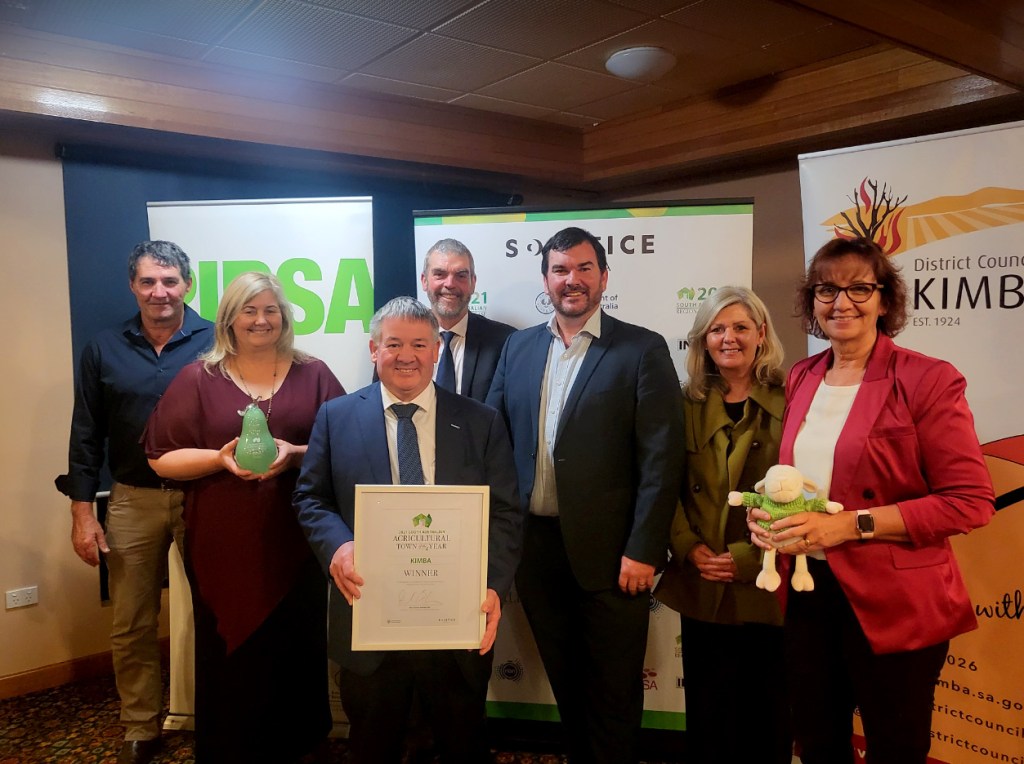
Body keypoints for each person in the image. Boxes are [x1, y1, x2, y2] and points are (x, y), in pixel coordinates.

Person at [748, 237, 994, 764]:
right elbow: (804, 481)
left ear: (885, 300)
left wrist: (849, 526)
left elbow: (969, 500)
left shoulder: (927, 378)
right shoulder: (803, 376)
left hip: (896, 600)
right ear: (811, 301)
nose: (842, 302)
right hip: (809, 595)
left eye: (860, 287)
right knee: (818, 744)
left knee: (896, 750)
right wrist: (770, 515)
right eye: (826, 290)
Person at [293, 296, 522, 764]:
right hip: (370, 616)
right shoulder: (336, 418)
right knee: (373, 746)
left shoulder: (481, 421)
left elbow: (505, 513)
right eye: (393, 343)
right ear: (374, 348)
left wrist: (493, 585)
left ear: (436, 349)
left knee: (463, 745)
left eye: (419, 344)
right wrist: (338, 547)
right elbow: (311, 498)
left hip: (457, 622)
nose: (406, 355)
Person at [486, 227, 685, 763]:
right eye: (559, 270)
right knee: (567, 685)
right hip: (538, 551)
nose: (571, 280)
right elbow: (496, 439)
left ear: (603, 277)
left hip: (615, 555)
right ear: (546, 279)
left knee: (614, 692)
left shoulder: (642, 349)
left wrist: (645, 547)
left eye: (583, 268)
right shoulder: (519, 347)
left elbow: (662, 458)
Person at [144, 272, 344, 763]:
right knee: (229, 659)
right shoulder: (198, 378)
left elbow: (344, 444)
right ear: (229, 319)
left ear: (284, 317)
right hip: (222, 545)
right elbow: (159, 456)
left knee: (297, 650)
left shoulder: (314, 373)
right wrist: (219, 459)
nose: (261, 320)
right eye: (249, 311)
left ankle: (300, 749)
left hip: (297, 539)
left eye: (271, 310)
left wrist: (295, 453)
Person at [58, 241, 213, 764]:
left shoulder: (219, 340)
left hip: (207, 496)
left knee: (217, 613)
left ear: (188, 284)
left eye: (169, 281)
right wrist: (83, 513)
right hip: (130, 499)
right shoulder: (103, 347)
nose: (160, 292)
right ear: (133, 286)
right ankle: (141, 727)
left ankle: (220, 717)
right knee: (131, 622)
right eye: (148, 282)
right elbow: (86, 435)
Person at [654, 286, 791, 764]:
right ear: (703, 340)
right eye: (717, 329)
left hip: (768, 581)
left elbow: (806, 491)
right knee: (710, 715)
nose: (728, 338)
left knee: (768, 712)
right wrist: (689, 548)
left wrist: (748, 558)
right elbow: (661, 484)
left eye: (739, 327)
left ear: (761, 334)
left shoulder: (794, 399)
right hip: (702, 578)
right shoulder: (681, 402)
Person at [419, 238, 515, 400]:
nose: (450, 283)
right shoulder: (400, 341)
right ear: (424, 281)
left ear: (473, 283)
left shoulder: (505, 342)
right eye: (440, 274)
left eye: (461, 275)